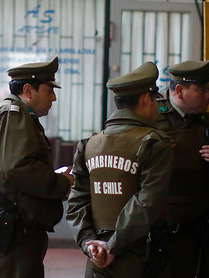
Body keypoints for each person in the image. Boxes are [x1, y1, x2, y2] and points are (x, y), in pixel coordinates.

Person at [0, 56, 74, 278]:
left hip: (12, 221)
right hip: (10, 223)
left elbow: (15, 167)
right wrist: (62, 182)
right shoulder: (11, 115)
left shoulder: (18, 115)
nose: (53, 97)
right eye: (48, 90)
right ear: (28, 90)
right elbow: (18, 168)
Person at [66, 62, 174, 278]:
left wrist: (90, 244)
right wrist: (112, 247)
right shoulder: (154, 143)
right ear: (146, 99)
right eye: (155, 99)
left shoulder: (88, 145)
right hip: (139, 256)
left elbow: (77, 201)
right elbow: (147, 203)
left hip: (98, 257)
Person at [156, 58, 209, 278]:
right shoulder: (148, 117)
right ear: (180, 91)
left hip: (190, 233)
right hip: (150, 231)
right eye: (202, 89)